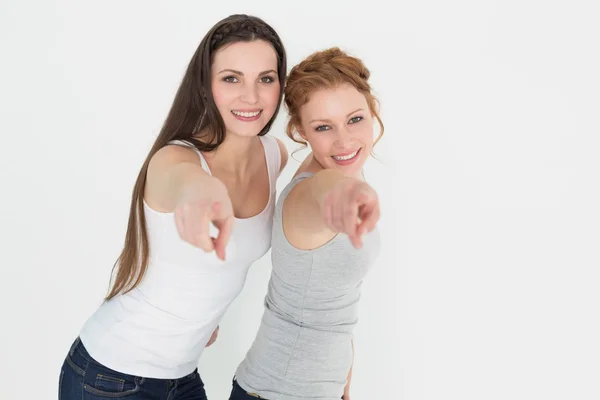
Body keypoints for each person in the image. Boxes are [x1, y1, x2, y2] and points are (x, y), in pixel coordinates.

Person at [58, 14, 288, 400]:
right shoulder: (174, 159)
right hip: (109, 378)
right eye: (231, 78)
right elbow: (186, 182)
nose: (251, 96)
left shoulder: (273, 155)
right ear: (204, 86)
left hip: (181, 377)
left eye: (266, 78)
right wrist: (203, 192)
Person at [229, 47, 384, 400]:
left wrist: (343, 381)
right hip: (277, 392)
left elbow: (337, 306)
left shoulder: (343, 171)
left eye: (355, 119)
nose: (344, 141)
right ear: (300, 130)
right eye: (323, 127)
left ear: (371, 112)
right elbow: (323, 194)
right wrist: (342, 191)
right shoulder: (311, 192)